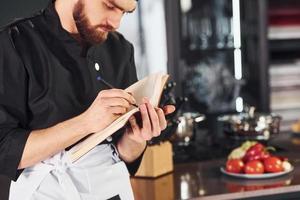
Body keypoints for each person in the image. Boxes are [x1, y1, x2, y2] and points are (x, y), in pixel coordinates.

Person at [0, 0, 175, 199]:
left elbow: (123, 154)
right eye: (109, 6)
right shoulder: (14, 42)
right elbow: (4, 149)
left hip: (112, 190)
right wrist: (85, 123)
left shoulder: (121, 49)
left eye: (124, 13)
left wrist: (137, 137)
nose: (116, 22)